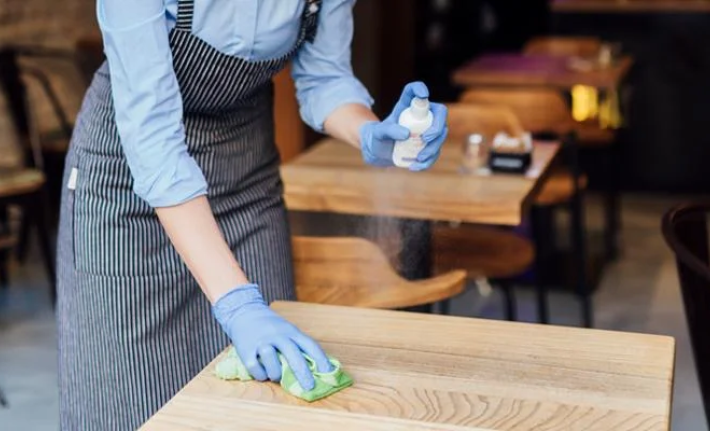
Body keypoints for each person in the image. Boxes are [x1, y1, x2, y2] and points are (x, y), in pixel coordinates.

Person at [56, 0, 449, 429]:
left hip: (246, 179)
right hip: (128, 191)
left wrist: (369, 133)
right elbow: (152, 138)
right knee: (132, 406)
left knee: (269, 404)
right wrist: (238, 303)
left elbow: (325, 78)